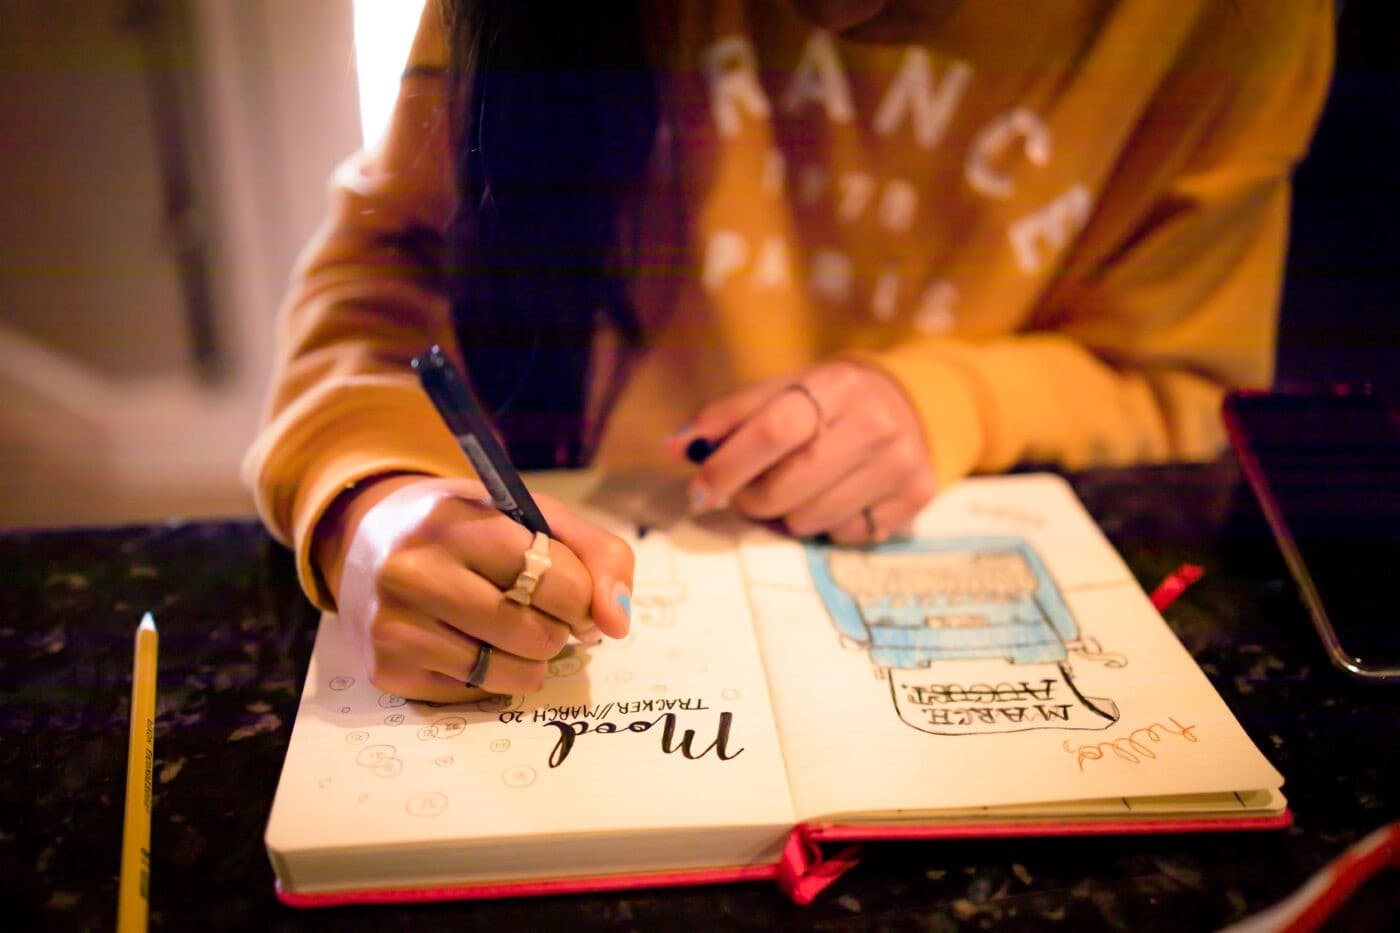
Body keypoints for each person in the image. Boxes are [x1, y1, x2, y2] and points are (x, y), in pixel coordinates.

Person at [243, 1, 1333, 703]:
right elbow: (386, 279)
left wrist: (948, 405)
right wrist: (372, 501)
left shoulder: (1232, 21)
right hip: (599, 545)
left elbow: (1178, 385)